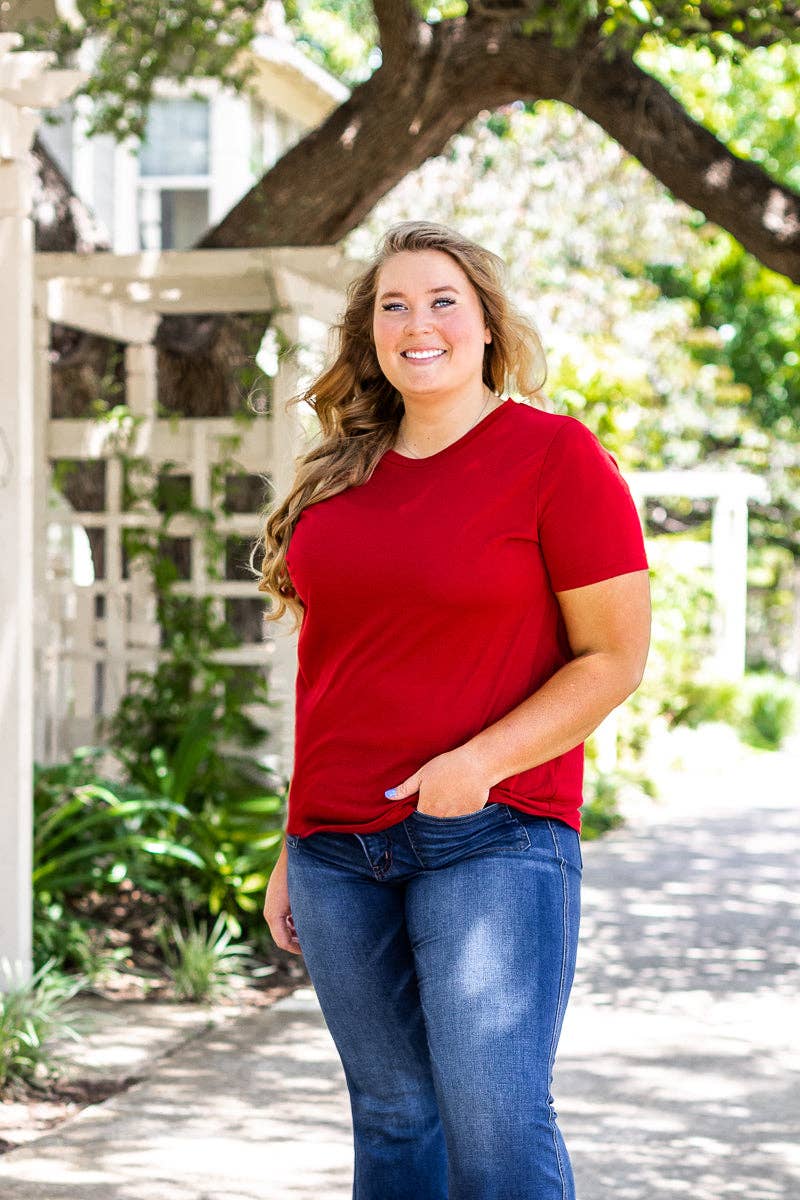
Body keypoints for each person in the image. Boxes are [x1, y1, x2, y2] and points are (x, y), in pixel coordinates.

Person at [255, 219, 651, 1200]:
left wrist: (476, 763)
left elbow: (612, 658)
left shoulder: (555, 458)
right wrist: (288, 844)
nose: (416, 322)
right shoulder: (337, 475)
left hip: (493, 833)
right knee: (392, 1118)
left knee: (493, 1121)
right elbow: (336, 674)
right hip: (335, 849)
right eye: (393, 304)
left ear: (484, 326)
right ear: (369, 335)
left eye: (442, 301)